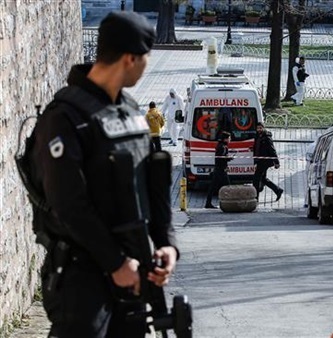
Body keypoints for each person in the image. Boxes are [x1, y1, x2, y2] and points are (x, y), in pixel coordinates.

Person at [27, 11, 179, 337]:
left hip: (133, 268)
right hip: (83, 276)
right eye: (145, 59)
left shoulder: (130, 112)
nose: (146, 66)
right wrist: (115, 263)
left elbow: (152, 178)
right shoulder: (64, 118)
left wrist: (167, 244)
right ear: (129, 59)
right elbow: (69, 205)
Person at [253, 122, 283, 201]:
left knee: (256, 179)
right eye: (258, 128)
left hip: (265, 161)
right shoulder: (257, 136)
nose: (259, 129)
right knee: (263, 179)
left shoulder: (266, 137)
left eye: (260, 128)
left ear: (263, 128)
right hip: (259, 160)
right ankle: (278, 190)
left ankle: (255, 197)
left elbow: (272, 150)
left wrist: (276, 162)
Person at [205, 131, 233, 209]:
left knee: (213, 186)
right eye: (229, 138)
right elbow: (221, 158)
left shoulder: (221, 145)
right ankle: (229, 202)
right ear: (225, 139)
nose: (230, 140)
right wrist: (229, 158)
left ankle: (208, 203)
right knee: (228, 186)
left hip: (218, 169)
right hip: (221, 169)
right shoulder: (222, 147)